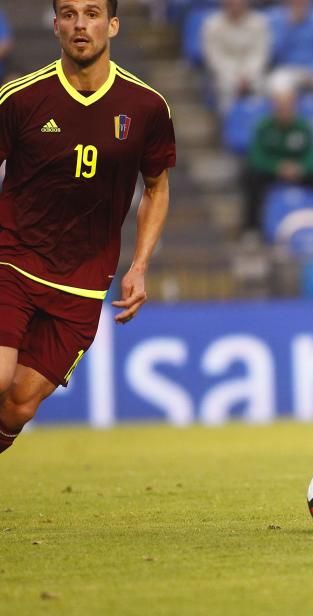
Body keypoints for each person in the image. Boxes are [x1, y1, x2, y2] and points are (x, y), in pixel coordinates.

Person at [0, 0, 175, 454]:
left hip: (82, 282)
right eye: (70, 14)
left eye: (93, 13)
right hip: (12, 261)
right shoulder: (19, 98)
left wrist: (138, 265)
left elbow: (156, 188)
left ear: (112, 25)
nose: (81, 24)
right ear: (56, 24)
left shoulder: (147, 106)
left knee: (17, 405)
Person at [243, 83, 313, 236]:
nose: (284, 110)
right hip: (272, 172)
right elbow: (257, 156)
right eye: (280, 106)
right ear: (274, 107)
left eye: (288, 105)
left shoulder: (303, 127)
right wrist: (277, 167)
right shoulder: (264, 127)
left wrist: (300, 167)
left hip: (298, 172)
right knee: (252, 179)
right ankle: (252, 230)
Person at [200, 0, 271, 114]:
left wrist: (247, 75)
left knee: (264, 86)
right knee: (226, 87)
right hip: (224, 75)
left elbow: (260, 53)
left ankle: (257, 122)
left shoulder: (260, 22)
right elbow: (214, 57)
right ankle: (229, 125)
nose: (236, 5)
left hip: (253, 74)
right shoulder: (212, 25)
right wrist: (235, 77)